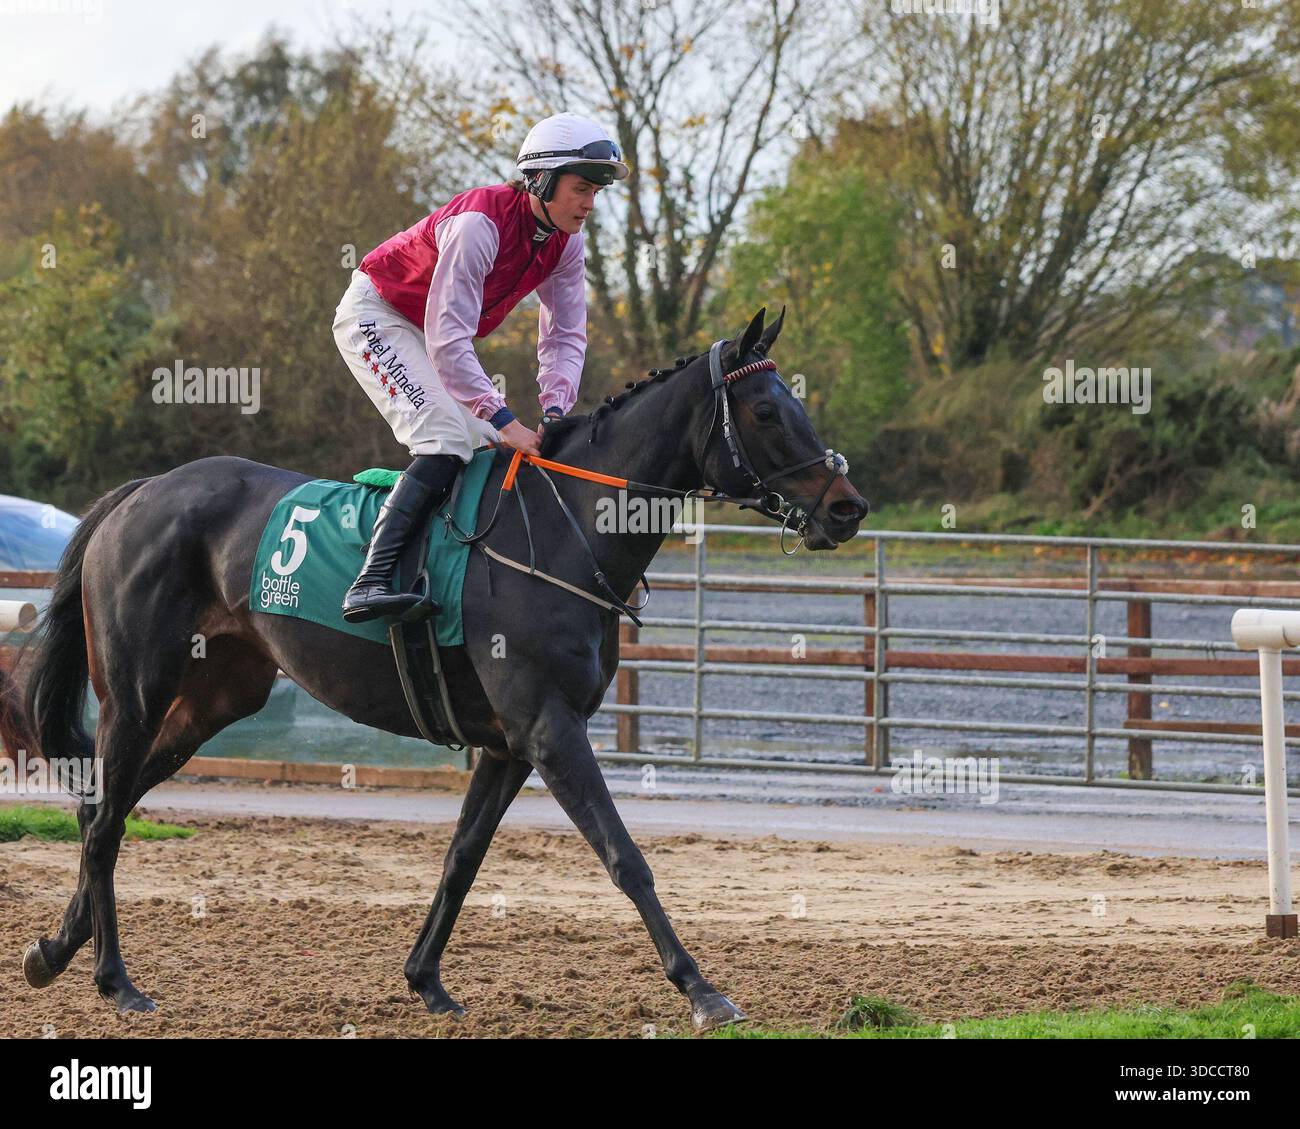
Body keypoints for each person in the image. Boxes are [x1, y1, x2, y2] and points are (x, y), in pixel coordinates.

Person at [332, 112, 628, 623]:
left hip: (426, 331)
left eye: (596, 193)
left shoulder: (565, 243)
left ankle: (449, 574)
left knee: (486, 450)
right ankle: (371, 580)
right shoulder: (478, 225)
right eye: (581, 189)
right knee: (445, 436)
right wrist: (506, 420)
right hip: (376, 315)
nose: (589, 204)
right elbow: (450, 344)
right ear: (541, 179)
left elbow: (564, 335)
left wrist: (555, 411)